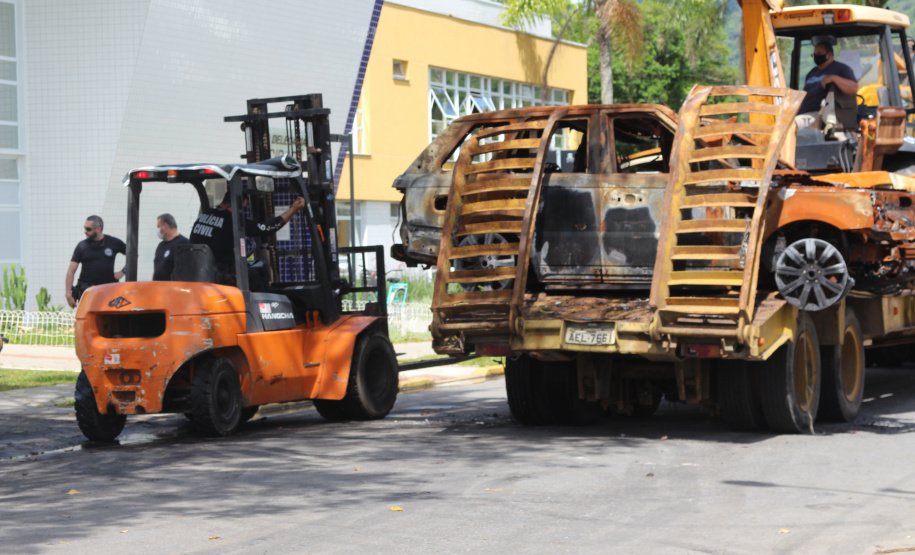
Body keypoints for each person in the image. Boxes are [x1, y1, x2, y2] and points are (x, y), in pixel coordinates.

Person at [189, 191, 305, 286]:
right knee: (258, 273)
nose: (243, 212)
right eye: (243, 208)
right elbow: (267, 228)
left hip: (200, 271)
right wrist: (293, 209)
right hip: (220, 275)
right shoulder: (231, 220)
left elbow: (216, 242)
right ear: (235, 204)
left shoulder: (204, 215)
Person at [65, 215, 126, 308]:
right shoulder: (82, 246)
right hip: (87, 291)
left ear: (98, 229)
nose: (85, 231)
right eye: (84, 228)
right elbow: (71, 270)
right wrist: (68, 293)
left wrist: (122, 272)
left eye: (88, 229)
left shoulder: (113, 242)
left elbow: (133, 255)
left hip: (108, 291)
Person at [796, 41, 859, 127]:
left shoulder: (841, 69)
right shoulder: (812, 73)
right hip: (805, 113)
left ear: (829, 54)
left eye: (819, 53)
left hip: (821, 115)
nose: (816, 56)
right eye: (814, 54)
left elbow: (853, 88)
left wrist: (833, 78)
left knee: (793, 125)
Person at [152, 213, 189, 281]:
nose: (157, 230)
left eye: (158, 226)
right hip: (158, 288)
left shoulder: (184, 244)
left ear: (165, 226)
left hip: (173, 289)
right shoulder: (161, 245)